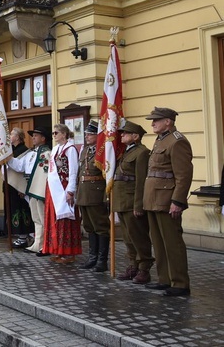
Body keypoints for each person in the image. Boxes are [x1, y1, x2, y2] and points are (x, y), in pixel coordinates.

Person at [143, 107, 193, 297]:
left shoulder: (177, 141)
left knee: (172, 242)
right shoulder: (161, 140)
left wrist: (178, 201)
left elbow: (184, 175)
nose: (152, 123)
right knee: (158, 241)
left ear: (168, 122)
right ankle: (164, 279)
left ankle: (180, 283)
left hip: (167, 200)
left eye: (156, 120)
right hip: (154, 199)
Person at [114, 120, 153, 284]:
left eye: (125, 133)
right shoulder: (127, 152)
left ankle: (144, 268)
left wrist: (138, 205)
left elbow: (141, 181)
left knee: (138, 237)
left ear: (135, 136)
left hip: (131, 201)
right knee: (128, 237)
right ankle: (133, 265)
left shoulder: (142, 153)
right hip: (122, 200)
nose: (122, 135)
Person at [7, 126, 51, 255]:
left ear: (43, 139)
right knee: (36, 218)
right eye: (33, 136)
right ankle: (38, 243)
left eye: (36, 136)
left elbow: (45, 174)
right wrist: (8, 157)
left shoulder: (46, 153)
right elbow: (20, 166)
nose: (33, 138)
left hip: (39, 189)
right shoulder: (31, 154)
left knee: (43, 217)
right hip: (30, 188)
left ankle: (45, 245)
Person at [43, 123, 82, 263]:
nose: (54, 135)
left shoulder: (70, 149)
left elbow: (73, 171)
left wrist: (71, 190)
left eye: (56, 133)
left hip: (64, 187)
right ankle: (57, 250)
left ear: (64, 134)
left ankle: (68, 252)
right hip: (54, 188)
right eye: (53, 133)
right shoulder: (55, 149)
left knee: (65, 219)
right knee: (55, 219)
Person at [75, 120, 111, 272]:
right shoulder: (85, 150)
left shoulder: (103, 151)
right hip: (84, 193)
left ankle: (102, 261)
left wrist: (106, 197)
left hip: (96, 193)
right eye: (86, 134)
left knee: (100, 227)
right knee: (89, 227)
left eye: (91, 134)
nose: (87, 136)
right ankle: (93, 257)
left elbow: (107, 175)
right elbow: (80, 173)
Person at [6, 128, 32, 247]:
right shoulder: (11, 150)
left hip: (19, 187)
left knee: (21, 210)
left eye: (11, 134)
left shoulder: (24, 151)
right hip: (10, 185)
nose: (10, 136)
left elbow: (21, 169)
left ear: (17, 137)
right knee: (13, 209)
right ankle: (19, 235)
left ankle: (23, 236)